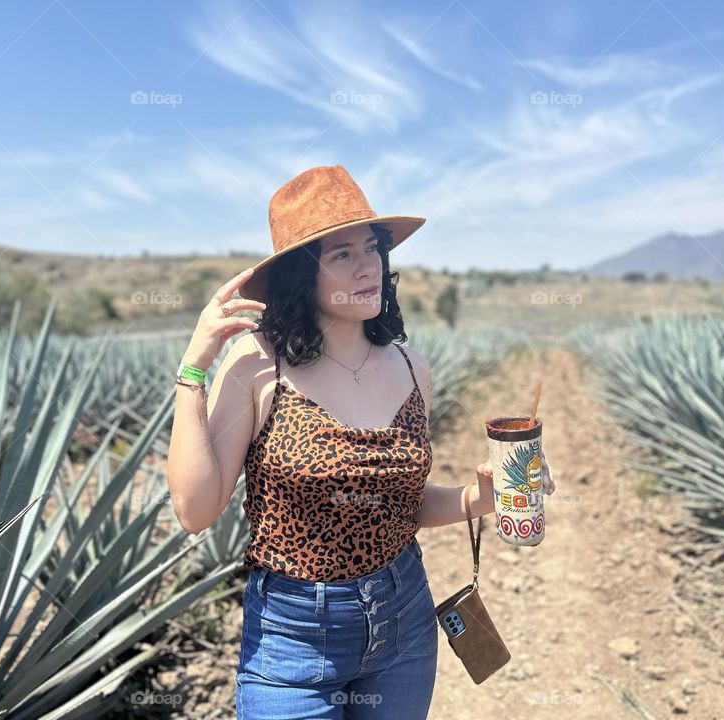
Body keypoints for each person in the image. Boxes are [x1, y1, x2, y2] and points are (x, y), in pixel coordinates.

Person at [167, 164, 555, 719]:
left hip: (404, 619)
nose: (367, 265)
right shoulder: (257, 366)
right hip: (294, 638)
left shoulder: (410, 366)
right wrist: (193, 371)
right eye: (342, 254)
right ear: (303, 276)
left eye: (371, 249)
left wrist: (483, 498)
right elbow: (195, 510)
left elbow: (404, 506)